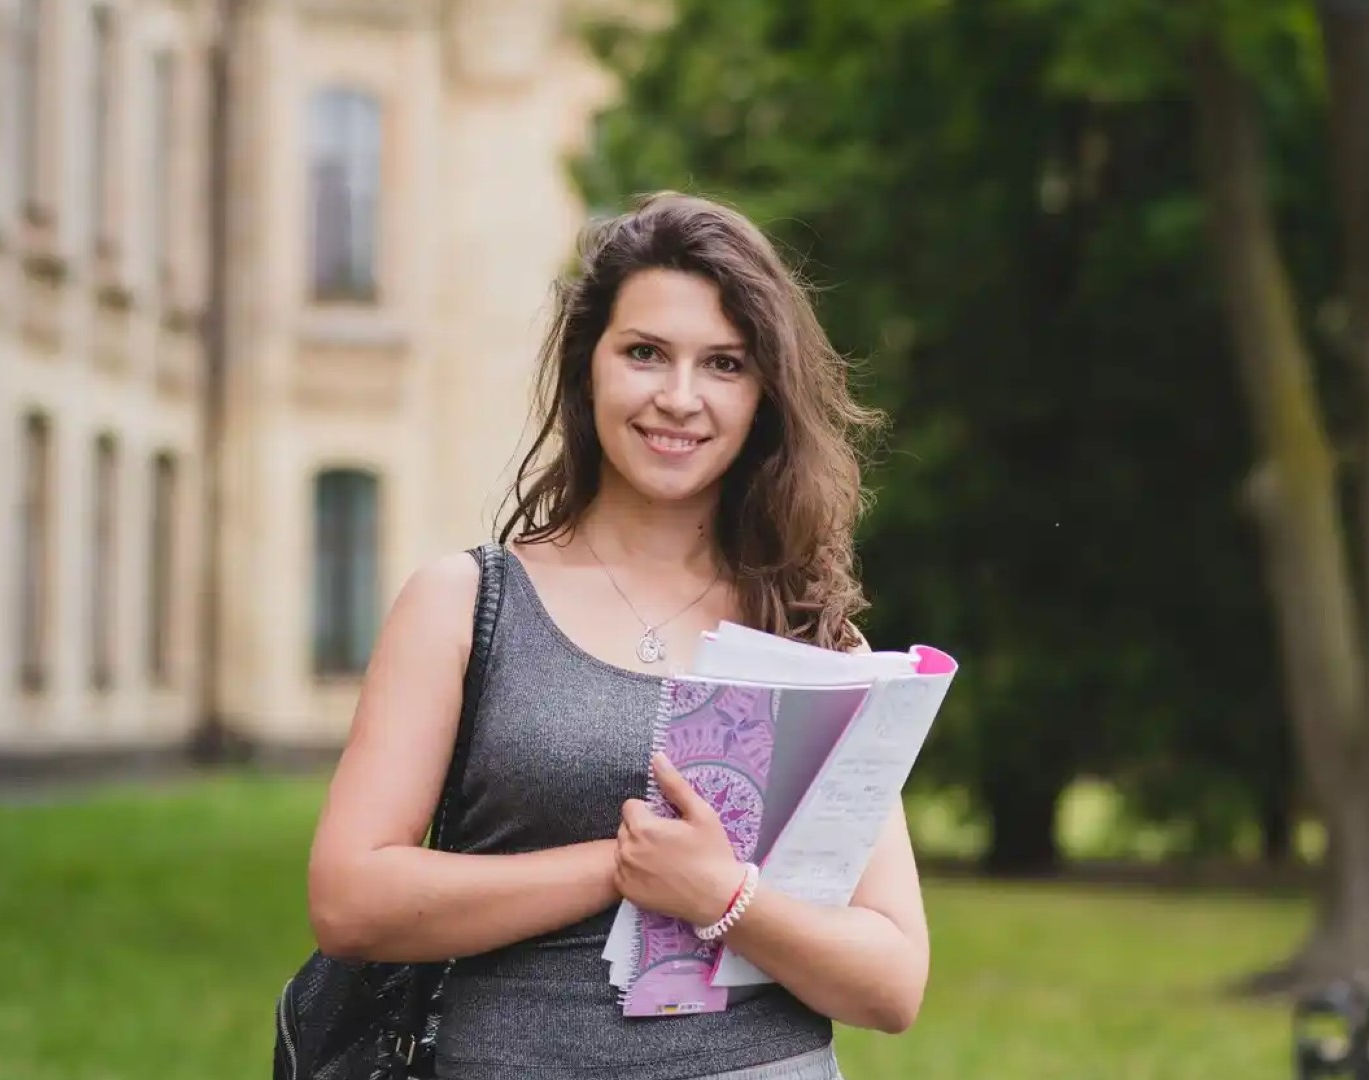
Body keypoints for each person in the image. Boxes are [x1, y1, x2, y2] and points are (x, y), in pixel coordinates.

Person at [305, 192, 929, 1080]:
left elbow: (893, 982)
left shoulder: (816, 641)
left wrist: (721, 896)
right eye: (645, 353)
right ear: (586, 366)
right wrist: (623, 866)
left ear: (765, 397)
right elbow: (350, 901)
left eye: (724, 364)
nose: (680, 398)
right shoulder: (467, 604)